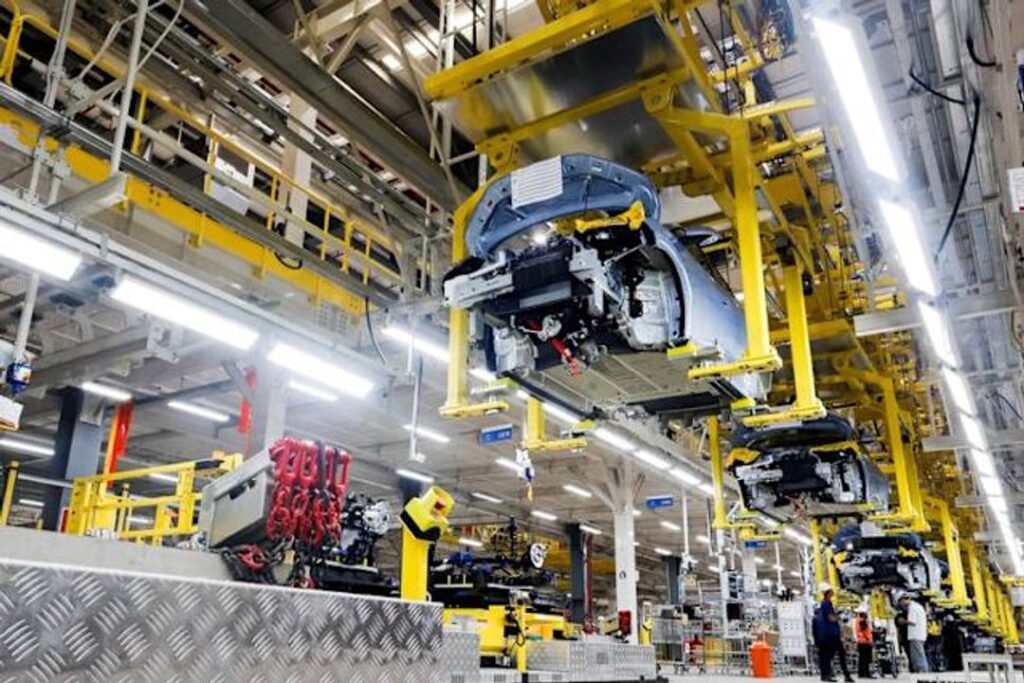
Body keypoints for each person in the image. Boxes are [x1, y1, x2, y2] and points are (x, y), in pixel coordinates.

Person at [816, 582, 854, 683]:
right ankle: (834, 675)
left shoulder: (828, 603)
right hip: (830, 634)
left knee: (833, 655)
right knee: (835, 654)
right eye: (831, 590)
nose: (833, 591)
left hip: (833, 633)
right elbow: (831, 618)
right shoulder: (825, 604)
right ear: (827, 592)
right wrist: (840, 617)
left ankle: (829, 675)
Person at [900, 594, 930, 672]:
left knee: (917, 655)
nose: (901, 604)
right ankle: (922, 669)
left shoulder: (912, 608)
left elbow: (912, 621)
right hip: (920, 634)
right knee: (920, 653)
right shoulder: (918, 606)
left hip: (915, 635)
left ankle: (921, 670)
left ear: (906, 600)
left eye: (902, 601)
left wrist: (903, 621)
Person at [855, 611, 874, 678]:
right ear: (863, 615)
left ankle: (861, 673)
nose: (867, 616)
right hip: (865, 642)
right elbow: (864, 631)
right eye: (866, 615)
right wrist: (869, 639)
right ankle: (866, 673)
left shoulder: (857, 621)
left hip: (861, 642)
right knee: (866, 659)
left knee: (862, 659)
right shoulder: (862, 621)